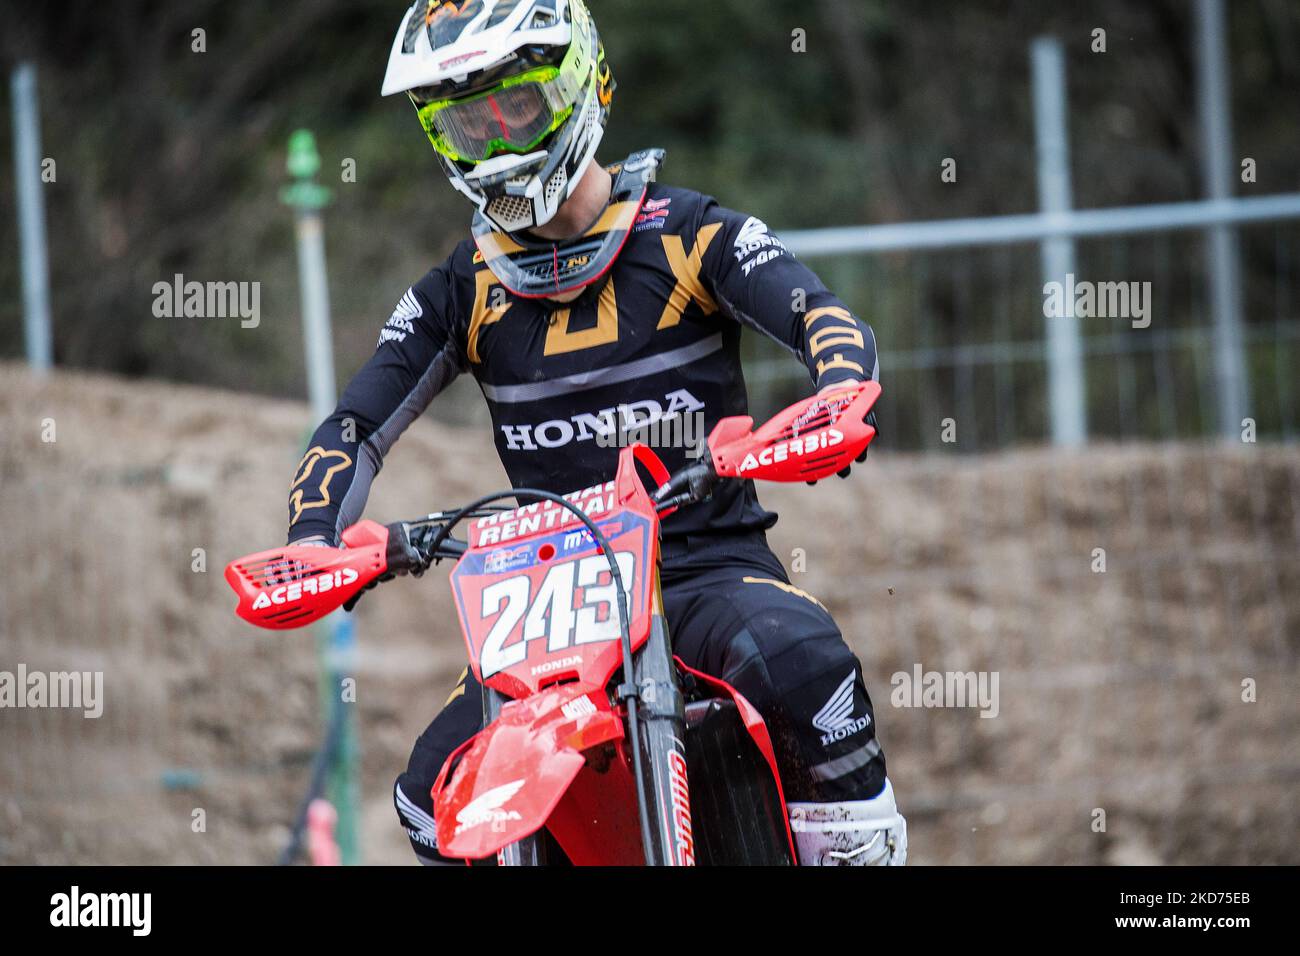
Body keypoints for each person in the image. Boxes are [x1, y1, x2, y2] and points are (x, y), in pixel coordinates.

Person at [288, 0, 906, 866]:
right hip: (542, 615)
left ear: (579, 82)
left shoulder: (691, 233)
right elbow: (356, 422)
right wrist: (315, 538)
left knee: (799, 659)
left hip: (700, 570)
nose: (499, 144)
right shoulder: (460, 291)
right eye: (470, 123)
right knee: (431, 795)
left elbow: (819, 313)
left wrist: (838, 394)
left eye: (517, 109)